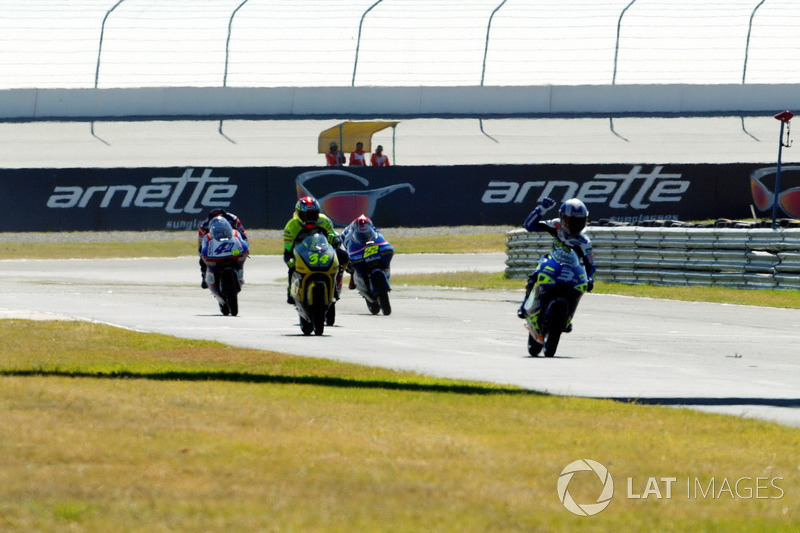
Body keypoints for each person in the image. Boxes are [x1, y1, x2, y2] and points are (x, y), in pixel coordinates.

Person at [517, 197, 595, 328]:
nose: (574, 225)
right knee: (534, 277)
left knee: (579, 290)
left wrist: (590, 279)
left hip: (573, 269)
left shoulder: (584, 241)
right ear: (562, 218)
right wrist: (541, 209)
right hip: (552, 262)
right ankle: (525, 305)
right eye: (571, 221)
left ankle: (568, 317)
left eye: (579, 222)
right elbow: (529, 226)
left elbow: (590, 265)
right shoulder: (555, 225)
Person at [282, 196, 349, 303]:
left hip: (322, 251)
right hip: (301, 253)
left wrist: (334, 239)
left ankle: (336, 280)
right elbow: (287, 251)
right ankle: (292, 290)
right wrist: (290, 260)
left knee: (344, 256)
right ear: (298, 213)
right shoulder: (291, 226)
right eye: (305, 215)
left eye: (312, 214)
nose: (309, 218)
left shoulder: (324, 220)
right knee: (292, 267)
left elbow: (332, 236)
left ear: (317, 213)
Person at [199, 216, 249, 309]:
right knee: (204, 265)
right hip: (216, 257)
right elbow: (202, 247)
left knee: (240, 262)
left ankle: (239, 279)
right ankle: (208, 281)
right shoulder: (208, 236)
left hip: (232, 254)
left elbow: (243, 240)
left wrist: (242, 248)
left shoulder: (234, 232)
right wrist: (203, 253)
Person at [197, 208, 248, 288]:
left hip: (232, 248)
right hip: (215, 248)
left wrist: (244, 242)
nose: (218, 219)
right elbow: (201, 243)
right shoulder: (204, 226)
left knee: (239, 253)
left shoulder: (233, 218)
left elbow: (242, 231)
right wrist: (202, 252)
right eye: (215, 217)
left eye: (221, 216)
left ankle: (239, 274)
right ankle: (204, 277)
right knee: (202, 259)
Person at [341, 214, 393, 290]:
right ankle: (353, 276)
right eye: (361, 228)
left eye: (365, 227)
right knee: (348, 262)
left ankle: (385, 272)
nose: (363, 229)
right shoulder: (348, 236)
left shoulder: (374, 230)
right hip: (350, 245)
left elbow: (382, 241)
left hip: (368, 243)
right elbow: (348, 252)